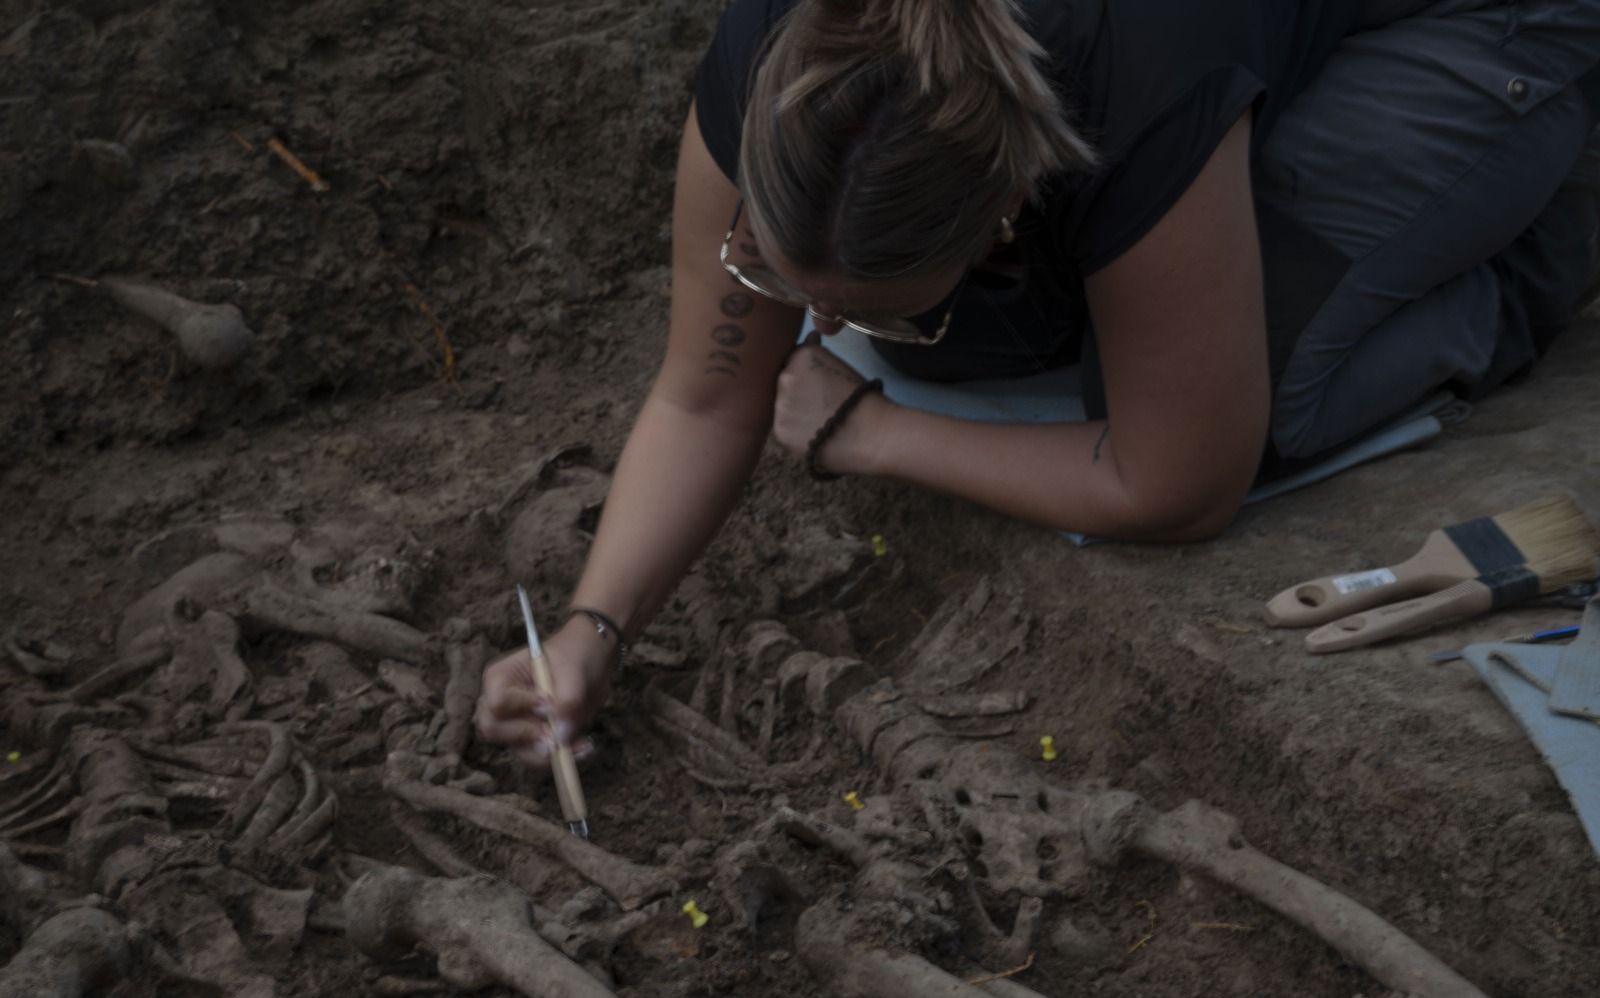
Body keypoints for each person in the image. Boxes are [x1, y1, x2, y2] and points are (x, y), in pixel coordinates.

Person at [477, 0, 1600, 763]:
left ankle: (1537, 238)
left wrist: (873, 431)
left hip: (1474, 23)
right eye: (766, 266)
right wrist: (590, 632)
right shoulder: (778, 56)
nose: (813, 329)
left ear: (1009, 206)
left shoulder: (1137, 79)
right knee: (978, 340)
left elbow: (1175, 483)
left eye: (864, 306)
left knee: (1248, 404)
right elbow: (704, 391)